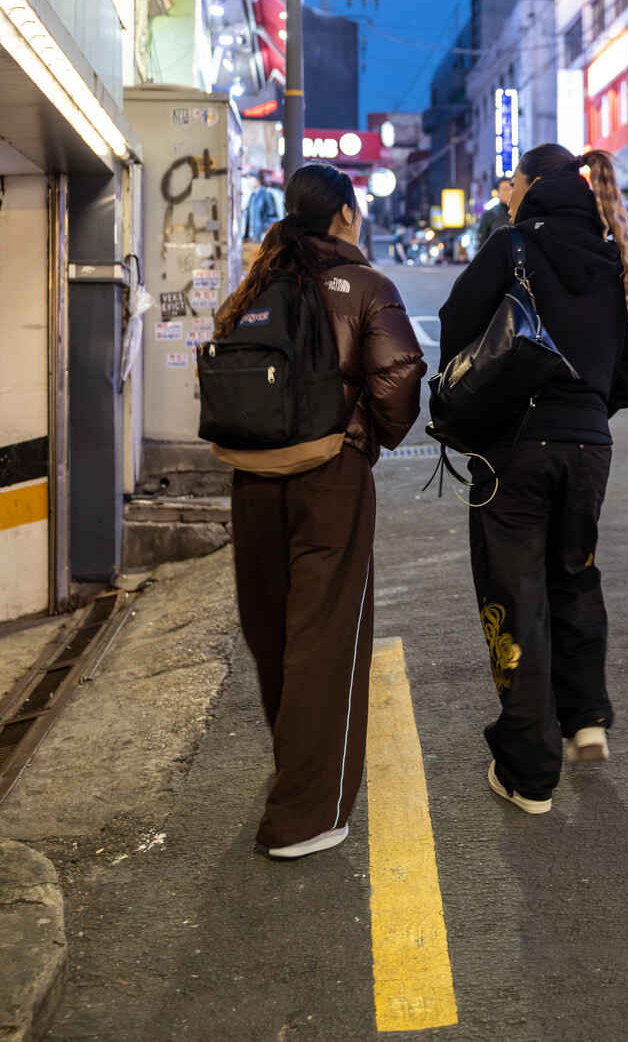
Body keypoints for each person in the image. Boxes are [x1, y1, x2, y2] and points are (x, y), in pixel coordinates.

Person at [215, 163, 425, 858]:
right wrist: (365, 435)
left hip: (252, 481)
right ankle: (307, 814)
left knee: (273, 629)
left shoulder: (257, 284)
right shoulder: (366, 286)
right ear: (343, 213)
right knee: (324, 640)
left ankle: (294, 765)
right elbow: (397, 383)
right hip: (330, 476)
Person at [438, 144, 628, 815]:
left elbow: (455, 324)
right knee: (575, 571)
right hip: (591, 446)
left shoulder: (515, 247)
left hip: (518, 448)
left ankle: (530, 771)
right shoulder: (614, 254)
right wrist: (587, 411)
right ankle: (584, 715)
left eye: (513, 182)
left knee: (517, 590)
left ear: (531, 185)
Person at [475, 177, 512, 247]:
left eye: (511, 189)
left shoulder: (520, 212)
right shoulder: (488, 215)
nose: (508, 192)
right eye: (505, 189)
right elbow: (482, 243)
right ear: (498, 192)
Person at [244, 172, 280, 241]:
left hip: (262, 238)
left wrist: (264, 233)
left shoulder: (266, 194)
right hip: (252, 238)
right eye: (248, 178)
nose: (249, 180)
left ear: (258, 179)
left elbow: (272, 217)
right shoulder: (252, 196)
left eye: (251, 177)